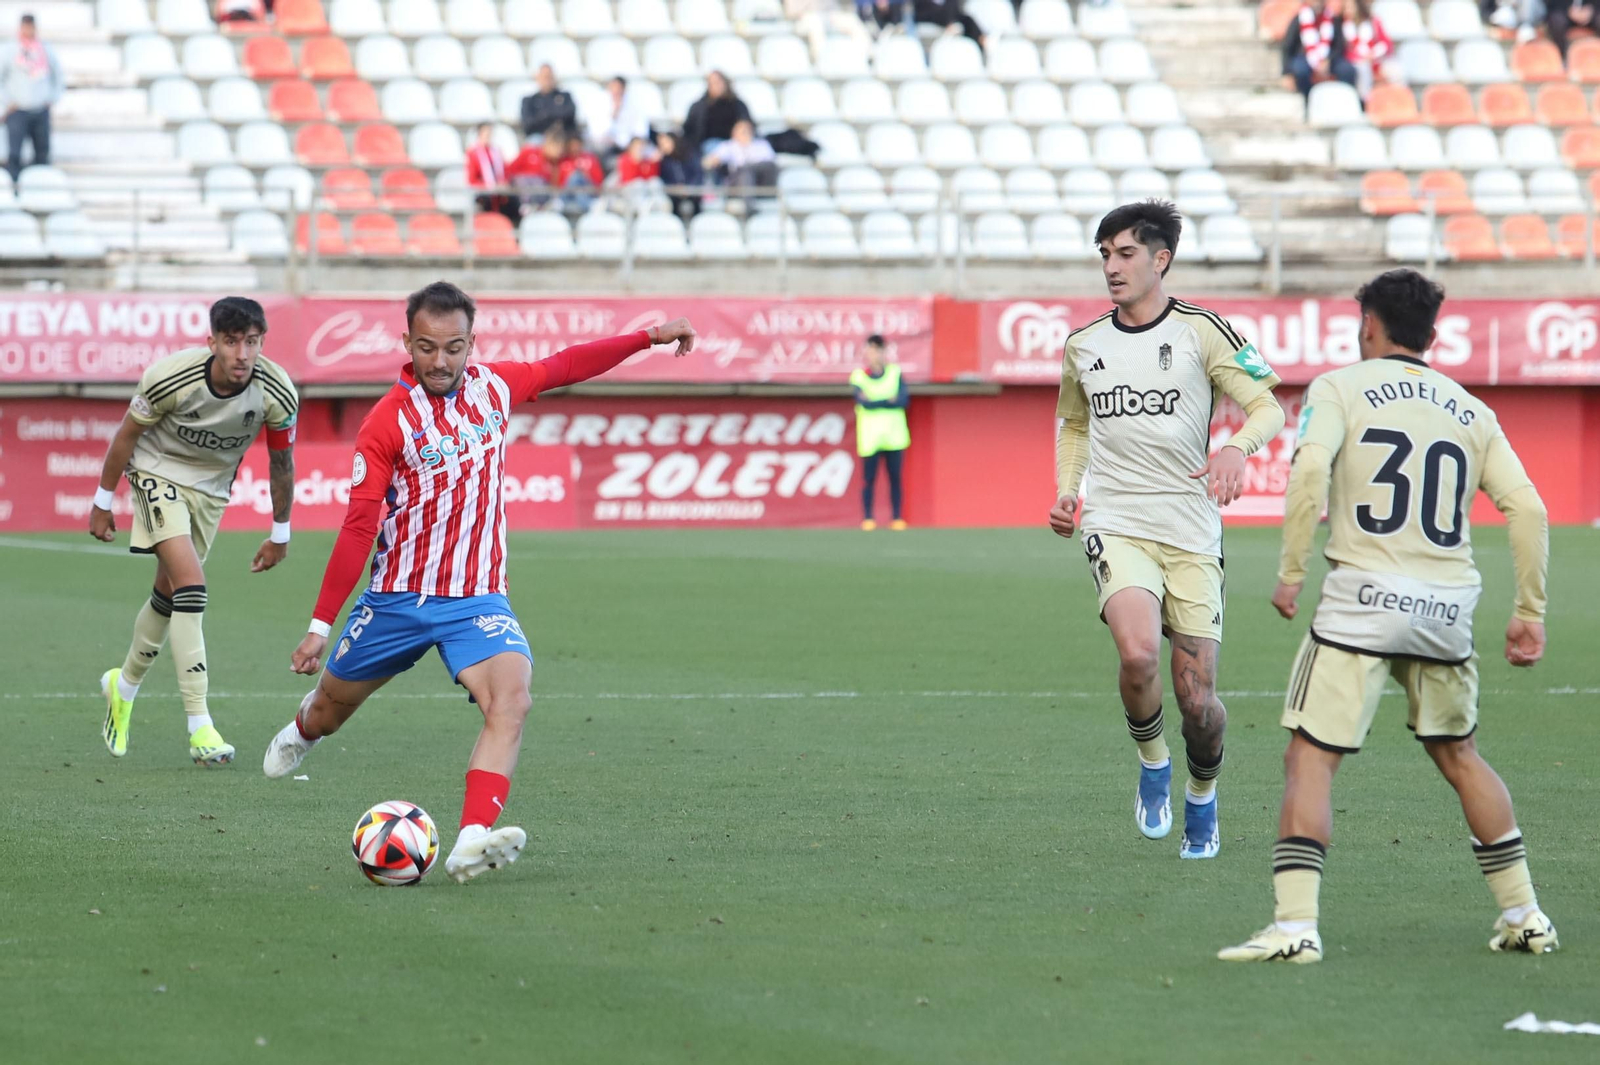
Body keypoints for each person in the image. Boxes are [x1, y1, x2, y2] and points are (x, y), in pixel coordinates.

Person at [263, 281, 697, 884]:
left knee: (512, 700)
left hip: (476, 598)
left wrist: (648, 337)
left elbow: (565, 365)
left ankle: (470, 840)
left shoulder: (494, 389)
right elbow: (359, 527)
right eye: (427, 347)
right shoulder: (386, 423)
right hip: (396, 599)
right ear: (407, 343)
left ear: (472, 343)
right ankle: (304, 728)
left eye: (454, 347)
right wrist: (318, 627)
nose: (440, 361)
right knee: (332, 711)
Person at [1218, 270, 1556, 964]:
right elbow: (1529, 509)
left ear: (1368, 323)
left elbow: (1310, 468)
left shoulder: (1339, 386)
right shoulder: (1471, 409)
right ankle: (1526, 914)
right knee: (1459, 754)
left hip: (1362, 602)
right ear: (1432, 333)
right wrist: (1529, 611)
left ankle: (1295, 925)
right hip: (1446, 606)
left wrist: (1290, 571)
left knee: (1310, 755)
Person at [1048, 201, 1285, 860]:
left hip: (1190, 531)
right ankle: (1154, 765)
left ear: (1161, 259)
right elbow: (1074, 423)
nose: (1112, 267)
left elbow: (1267, 401)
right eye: (1104, 254)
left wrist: (1238, 448)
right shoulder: (1083, 344)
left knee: (1198, 701)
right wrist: (1070, 491)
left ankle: (1203, 796)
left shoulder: (1206, 331)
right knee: (1138, 653)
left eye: (1125, 253)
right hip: (1116, 520)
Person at [89, 297, 299, 767]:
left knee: (169, 596)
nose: (242, 354)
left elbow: (281, 461)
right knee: (192, 586)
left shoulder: (277, 392)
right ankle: (199, 724)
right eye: (231, 342)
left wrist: (280, 531)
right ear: (212, 343)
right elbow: (126, 434)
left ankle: (121, 689)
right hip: (156, 473)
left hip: (211, 492)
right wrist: (102, 502)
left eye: (252, 342)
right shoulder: (172, 377)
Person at [851, 334, 910, 531]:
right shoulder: (859, 376)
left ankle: (897, 518)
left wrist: (877, 401)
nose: (874, 354)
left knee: (895, 478)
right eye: (871, 349)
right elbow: (863, 403)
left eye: (878, 350)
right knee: (869, 479)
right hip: (870, 437)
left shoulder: (895, 372)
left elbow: (903, 400)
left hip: (894, 436)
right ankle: (868, 518)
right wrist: (887, 400)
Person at [0, 14, 62, 182]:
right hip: (18, 110)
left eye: (31, 27)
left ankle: (41, 191)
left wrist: (52, 98)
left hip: (40, 110)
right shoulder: (10, 49)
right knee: (14, 154)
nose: (28, 30)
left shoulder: (44, 48)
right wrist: (7, 101)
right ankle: (14, 192)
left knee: (42, 154)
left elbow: (58, 75)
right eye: (25, 27)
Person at [1290, 0, 1358, 106]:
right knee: (1300, 70)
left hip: (1329, 58)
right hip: (1306, 57)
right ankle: (1308, 101)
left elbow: (1339, 46)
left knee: (1347, 70)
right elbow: (1289, 46)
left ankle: (1344, 102)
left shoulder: (1333, 19)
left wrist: (1328, 60)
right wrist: (1285, 73)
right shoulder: (1300, 18)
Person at [702, 119, 778, 208]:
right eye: (742, 131)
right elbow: (709, 161)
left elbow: (771, 164)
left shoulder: (762, 145)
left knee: (752, 168)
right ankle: (750, 207)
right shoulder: (728, 146)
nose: (745, 134)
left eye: (747, 130)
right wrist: (714, 161)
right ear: (734, 133)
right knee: (745, 171)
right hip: (738, 181)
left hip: (761, 180)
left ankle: (767, 198)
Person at [682, 71, 751, 154]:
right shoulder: (699, 107)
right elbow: (689, 130)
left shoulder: (738, 105)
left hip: (735, 143)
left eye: (718, 82)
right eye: (712, 83)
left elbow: (746, 124)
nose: (716, 86)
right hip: (710, 144)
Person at [464, 123, 519, 226]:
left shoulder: (496, 151)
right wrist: (490, 186)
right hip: (484, 192)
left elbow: (506, 171)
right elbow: (472, 180)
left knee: (513, 201)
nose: (488, 136)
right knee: (487, 200)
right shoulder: (473, 154)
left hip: (499, 190)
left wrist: (503, 183)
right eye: (485, 133)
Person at [593, 76, 651, 165]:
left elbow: (641, 130)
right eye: (613, 88)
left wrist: (632, 144)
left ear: (624, 89)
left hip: (630, 145)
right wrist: (614, 114)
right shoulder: (600, 102)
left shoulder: (635, 103)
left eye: (619, 88)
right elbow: (598, 134)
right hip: (608, 146)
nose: (616, 92)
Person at [1343, 0, 1394, 102]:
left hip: (1377, 59)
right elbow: (1346, 51)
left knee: (1395, 71)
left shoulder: (1373, 22)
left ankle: (1396, 101)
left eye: (1350, 7)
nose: (1348, 11)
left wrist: (1373, 54)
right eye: (1346, 8)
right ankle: (1366, 103)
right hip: (1358, 62)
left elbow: (1386, 44)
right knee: (1363, 69)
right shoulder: (1344, 25)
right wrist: (1362, 58)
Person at [786, 0, 871, 56]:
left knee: (851, 19)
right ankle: (821, 58)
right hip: (802, 20)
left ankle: (866, 56)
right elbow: (791, 12)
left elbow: (834, 8)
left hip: (826, 16)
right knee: (815, 23)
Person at [520, 64, 577, 142]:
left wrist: (544, 116)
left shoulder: (565, 97)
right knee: (535, 141)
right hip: (540, 137)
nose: (547, 80)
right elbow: (528, 125)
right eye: (544, 77)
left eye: (549, 77)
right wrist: (554, 118)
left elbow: (569, 116)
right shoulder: (529, 101)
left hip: (563, 136)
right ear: (538, 78)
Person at [655, 130, 704, 219]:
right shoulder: (665, 161)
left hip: (692, 190)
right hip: (674, 192)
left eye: (666, 142)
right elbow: (663, 179)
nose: (664, 146)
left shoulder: (689, 154)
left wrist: (688, 187)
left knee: (696, 204)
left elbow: (697, 174)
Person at [914, 0, 988, 53]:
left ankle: (981, 40)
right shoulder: (922, 3)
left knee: (967, 20)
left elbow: (958, 13)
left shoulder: (951, 2)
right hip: (933, 22)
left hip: (951, 21)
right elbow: (920, 14)